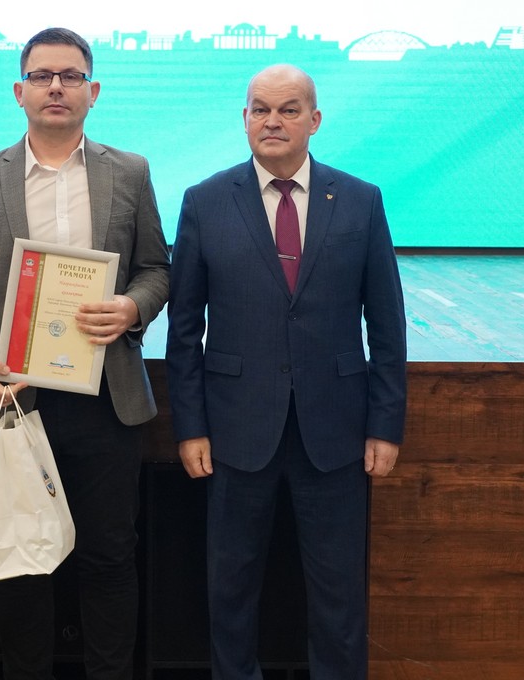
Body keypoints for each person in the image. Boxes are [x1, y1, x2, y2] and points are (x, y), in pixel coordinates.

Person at [0, 27, 170, 680]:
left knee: (110, 558)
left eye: (70, 76)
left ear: (94, 91)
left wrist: (132, 307)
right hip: (11, 400)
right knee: (22, 565)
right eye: (41, 76)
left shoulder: (131, 172)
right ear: (19, 91)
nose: (56, 87)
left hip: (106, 399)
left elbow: (156, 269)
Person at [166, 64, 407, 679]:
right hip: (234, 429)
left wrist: (385, 425)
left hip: (336, 431)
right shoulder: (204, 200)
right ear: (245, 118)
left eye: (289, 109)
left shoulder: (360, 200)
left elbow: (386, 324)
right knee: (231, 587)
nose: (273, 121)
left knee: (338, 594)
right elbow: (184, 327)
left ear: (314, 120)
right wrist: (190, 427)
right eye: (261, 109)